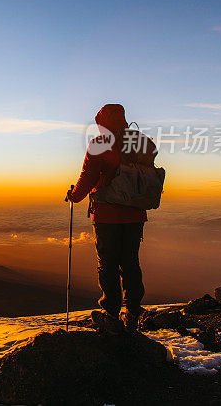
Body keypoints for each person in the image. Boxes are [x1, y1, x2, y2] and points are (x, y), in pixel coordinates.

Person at [65, 103, 156, 334]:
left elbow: (88, 176)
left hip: (107, 214)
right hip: (135, 214)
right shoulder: (139, 141)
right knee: (131, 263)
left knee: (108, 264)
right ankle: (133, 311)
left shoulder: (100, 143)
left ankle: (111, 313)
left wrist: (74, 196)